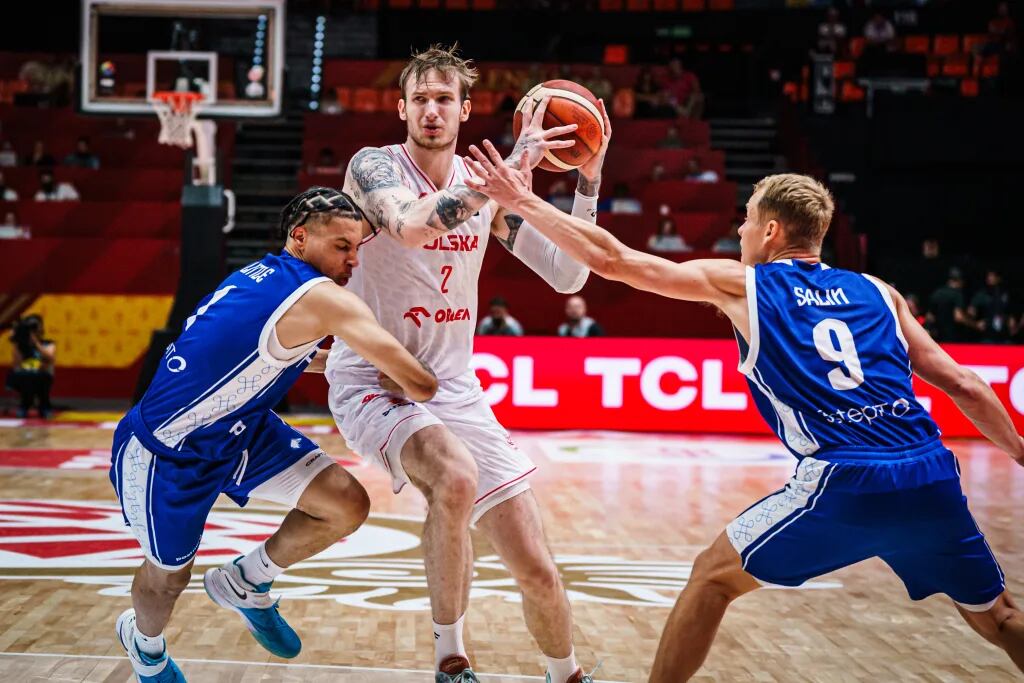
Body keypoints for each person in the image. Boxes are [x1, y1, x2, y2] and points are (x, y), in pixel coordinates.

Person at [462, 152, 1024, 681]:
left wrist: (523, 200)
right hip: (930, 473)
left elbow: (615, 261)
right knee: (997, 619)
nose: (740, 232)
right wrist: (1020, 450)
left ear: (773, 231)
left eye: (748, 221)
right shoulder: (879, 291)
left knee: (710, 577)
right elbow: (964, 383)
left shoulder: (744, 284)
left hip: (846, 478)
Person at [333, 44, 601, 683]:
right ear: (401, 108)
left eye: (443, 99)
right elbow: (411, 227)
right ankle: (450, 659)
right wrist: (501, 177)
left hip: (455, 385)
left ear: (465, 109)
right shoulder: (373, 169)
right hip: (376, 378)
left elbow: (567, 273)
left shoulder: (490, 189)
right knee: (453, 479)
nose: (431, 110)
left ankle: (565, 674)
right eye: (420, 99)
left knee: (536, 565)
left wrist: (587, 180)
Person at [109, 187, 438, 683]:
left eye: (357, 247)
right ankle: (145, 647)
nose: (353, 259)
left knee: (345, 504)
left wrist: (351, 368)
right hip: (169, 451)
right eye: (341, 246)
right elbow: (422, 383)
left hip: (241, 428)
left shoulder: (266, 274)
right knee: (168, 579)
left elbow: (288, 353)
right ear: (300, 238)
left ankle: (247, 580)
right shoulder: (323, 297)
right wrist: (408, 368)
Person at [5, 314, 55, 419]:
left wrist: (36, 343)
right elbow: (17, 364)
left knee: (38, 377)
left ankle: (43, 406)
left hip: (43, 375)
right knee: (25, 377)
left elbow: (49, 358)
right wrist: (16, 342)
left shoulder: (48, 343)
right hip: (25, 375)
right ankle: (25, 406)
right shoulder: (21, 346)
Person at [927, 267, 973, 343]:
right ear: (960, 281)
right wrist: (974, 324)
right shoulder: (957, 294)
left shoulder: (937, 293)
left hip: (937, 337)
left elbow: (930, 317)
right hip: (952, 338)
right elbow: (958, 317)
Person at [969, 269, 1014, 343]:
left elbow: (1010, 310)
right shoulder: (981, 294)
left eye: (992, 276)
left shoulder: (1006, 293)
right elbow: (971, 311)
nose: (989, 278)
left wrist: (1012, 319)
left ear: (999, 278)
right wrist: (975, 323)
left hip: (1004, 334)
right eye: (988, 276)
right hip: (987, 335)